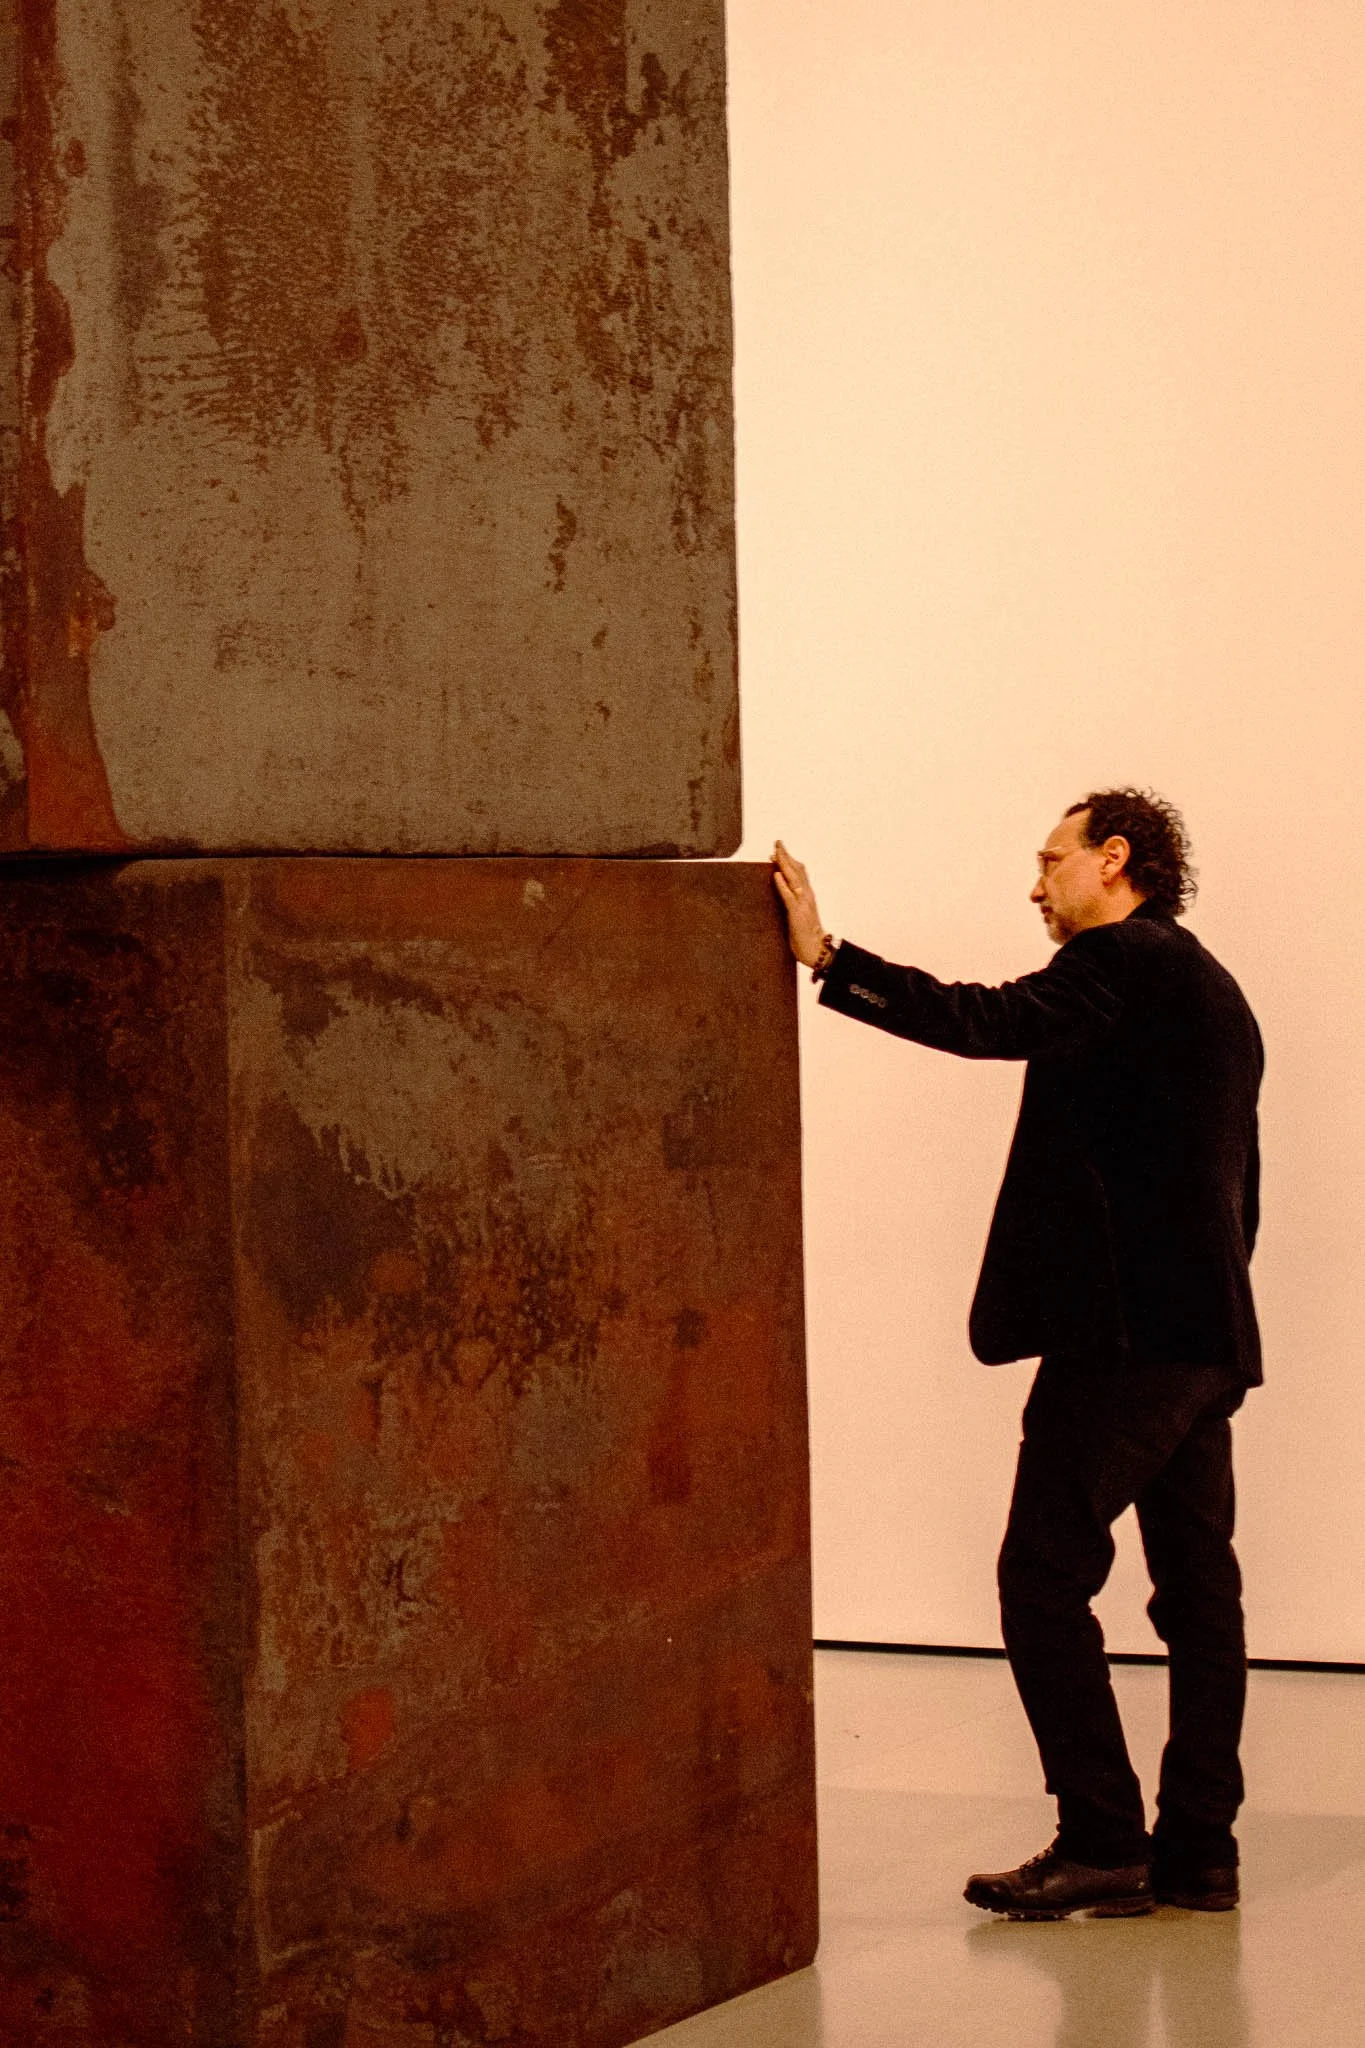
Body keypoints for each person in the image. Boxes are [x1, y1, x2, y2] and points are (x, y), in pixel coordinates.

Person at [772, 788, 1263, 1921]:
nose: (1035, 884)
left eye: (1051, 860)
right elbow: (1240, 1183)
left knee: (1041, 1575)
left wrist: (829, 958)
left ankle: (1101, 1838)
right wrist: (1213, 1327)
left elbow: (991, 1018)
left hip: (1128, 1339)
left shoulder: (1128, 962)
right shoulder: (1213, 987)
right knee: (1198, 1595)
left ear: (1115, 858)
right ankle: (1198, 1851)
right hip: (1200, 1338)